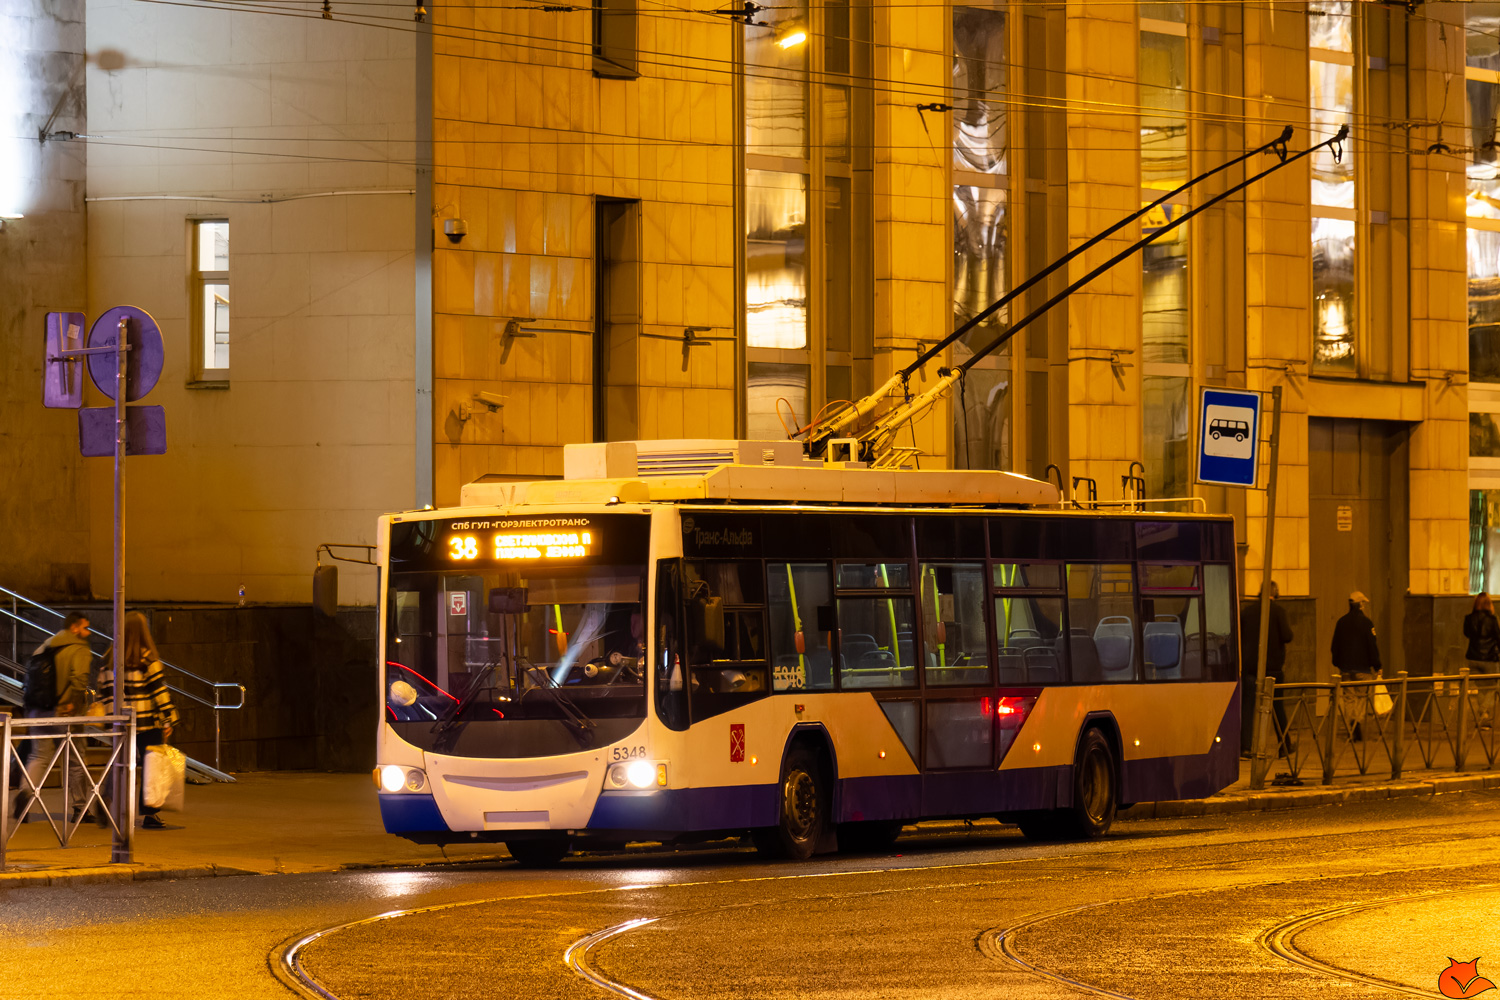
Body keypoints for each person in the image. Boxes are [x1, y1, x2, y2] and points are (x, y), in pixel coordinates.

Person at [97, 611, 179, 830]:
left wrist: (109, 718)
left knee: (120, 761)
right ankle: (150, 815)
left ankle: (106, 798)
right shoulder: (147, 660)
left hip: (120, 722)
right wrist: (168, 718)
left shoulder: (109, 660)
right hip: (146, 723)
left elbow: (103, 692)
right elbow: (159, 692)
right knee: (152, 766)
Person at [11, 612, 94, 823]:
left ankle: (25, 794)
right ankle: (80, 808)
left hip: (37, 711)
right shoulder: (80, 649)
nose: (88, 632)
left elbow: (30, 678)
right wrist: (73, 704)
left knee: (38, 757)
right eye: (85, 627)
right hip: (64, 712)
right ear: (74, 628)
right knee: (75, 760)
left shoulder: (46, 645)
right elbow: (79, 680)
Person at [1240, 582, 1294, 756]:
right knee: (1277, 707)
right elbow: (1287, 635)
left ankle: (1246, 746)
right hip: (1273, 668)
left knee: (1248, 706)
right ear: (1275, 593)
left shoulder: (1247, 612)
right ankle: (1284, 745)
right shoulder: (1278, 611)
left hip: (1250, 667)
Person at [1331, 591, 1381, 741]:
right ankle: (1357, 722)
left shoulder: (1341, 622)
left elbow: (1334, 646)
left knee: (1349, 698)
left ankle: (1350, 725)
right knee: (1361, 697)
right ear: (1359, 604)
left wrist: (1338, 663)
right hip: (1362, 668)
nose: (1364, 605)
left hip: (1345, 668)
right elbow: (1372, 646)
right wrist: (1377, 665)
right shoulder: (1367, 623)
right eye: (1363, 603)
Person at [1464, 592, 1500, 729]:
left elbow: (1467, 634)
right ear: (1488, 604)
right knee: (1492, 687)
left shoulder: (1469, 619)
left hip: (1473, 658)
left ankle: (1482, 718)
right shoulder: (1492, 620)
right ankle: (1484, 713)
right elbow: (1498, 637)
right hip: (1489, 659)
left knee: (1481, 689)